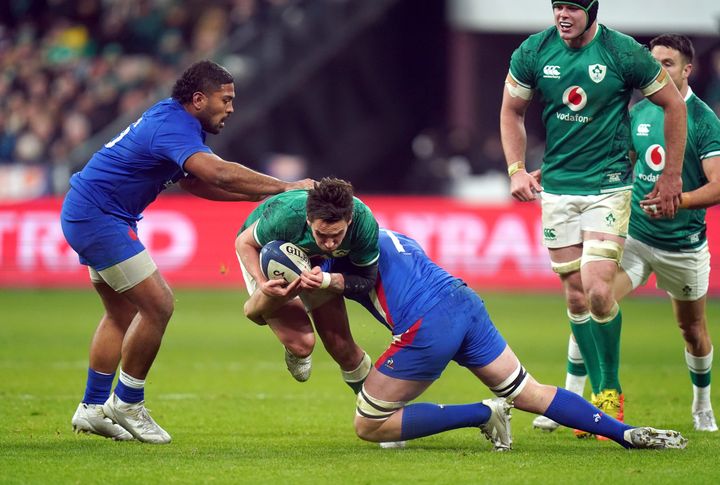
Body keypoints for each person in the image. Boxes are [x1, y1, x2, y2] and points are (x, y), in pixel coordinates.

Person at [62, 60, 314, 444]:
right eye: (225, 100)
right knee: (158, 304)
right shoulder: (173, 126)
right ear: (198, 99)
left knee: (122, 312)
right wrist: (285, 187)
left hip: (92, 212)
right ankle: (128, 403)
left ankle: (93, 407)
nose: (231, 108)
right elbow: (218, 173)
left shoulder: (177, 121)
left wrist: (264, 192)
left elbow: (196, 184)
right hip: (99, 217)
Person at [500, 0, 687, 432]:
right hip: (558, 188)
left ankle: (608, 388)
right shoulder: (533, 51)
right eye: (556, 7)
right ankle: (594, 405)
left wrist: (672, 175)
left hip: (608, 186)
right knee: (575, 297)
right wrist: (515, 169)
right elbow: (512, 110)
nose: (562, 15)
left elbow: (674, 106)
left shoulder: (622, 52)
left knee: (599, 289)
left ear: (591, 10)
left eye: (571, 8)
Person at [346, 229, 687, 451]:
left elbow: (345, 316)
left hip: (429, 325)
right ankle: (624, 434)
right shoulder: (394, 235)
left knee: (369, 424)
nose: (328, 242)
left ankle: (482, 413)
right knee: (529, 393)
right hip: (463, 301)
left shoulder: (342, 254)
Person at [536, 34, 720, 434]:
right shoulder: (638, 113)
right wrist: (552, 173)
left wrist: (681, 199)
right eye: (653, 62)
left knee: (692, 330)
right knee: (590, 296)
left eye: (668, 63)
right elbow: (614, 161)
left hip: (683, 246)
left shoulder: (704, 120)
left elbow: (718, 184)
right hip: (634, 235)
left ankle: (702, 405)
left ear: (688, 70)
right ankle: (573, 402)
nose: (658, 69)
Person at [235, 177, 378, 393]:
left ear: (349, 221)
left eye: (337, 235)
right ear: (309, 221)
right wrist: (263, 283)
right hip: (266, 256)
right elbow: (244, 242)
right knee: (302, 345)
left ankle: (376, 408)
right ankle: (257, 308)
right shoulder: (287, 214)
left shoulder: (363, 222)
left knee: (342, 348)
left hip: (316, 264)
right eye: (321, 234)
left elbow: (366, 280)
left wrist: (327, 280)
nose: (329, 243)